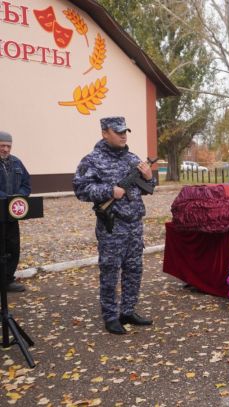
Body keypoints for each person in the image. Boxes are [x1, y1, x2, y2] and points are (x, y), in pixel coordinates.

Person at [73, 117, 155, 335]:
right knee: (110, 272)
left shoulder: (132, 159)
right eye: (117, 131)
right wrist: (110, 191)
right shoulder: (92, 160)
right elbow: (80, 189)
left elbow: (147, 188)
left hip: (134, 226)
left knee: (134, 270)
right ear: (104, 133)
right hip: (112, 226)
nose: (123, 135)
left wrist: (149, 176)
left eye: (125, 131)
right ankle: (110, 316)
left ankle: (127, 310)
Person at [0, 131, 31, 293]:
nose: (5, 149)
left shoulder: (17, 163)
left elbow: (26, 184)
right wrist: (6, 199)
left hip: (11, 217)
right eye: (2, 145)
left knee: (12, 247)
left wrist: (20, 197)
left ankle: (7, 281)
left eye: (8, 146)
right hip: (1, 212)